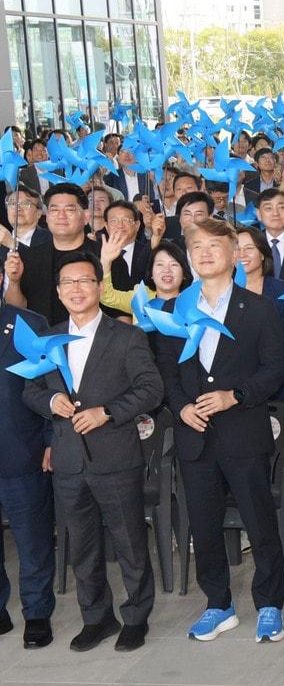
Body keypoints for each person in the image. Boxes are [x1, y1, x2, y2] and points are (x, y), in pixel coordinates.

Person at [153, 218, 284, 643]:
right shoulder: (176, 310)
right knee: (204, 524)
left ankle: (269, 604)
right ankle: (218, 604)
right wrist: (182, 409)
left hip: (243, 432)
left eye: (215, 245)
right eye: (197, 247)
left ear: (235, 254)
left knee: (259, 520)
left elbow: (276, 368)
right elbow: (167, 372)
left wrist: (237, 395)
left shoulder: (260, 308)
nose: (205, 252)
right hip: (195, 436)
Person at [22, 252, 164, 653]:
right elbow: (29, 390)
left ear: (99, 287)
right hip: (67, 460)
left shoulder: (127, 336)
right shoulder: (47, 340)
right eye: (68, 283)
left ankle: (136, 618)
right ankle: (96, 618)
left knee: (130, 543)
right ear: (58, 291)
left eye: (84, 281)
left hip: (116, 456)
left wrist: (109, 412)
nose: (76, 289)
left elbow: (151, 389)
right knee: (82, 546)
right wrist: (51, 402)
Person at [0, 300, 57, 649]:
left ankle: (36, 613)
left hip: (22, 449)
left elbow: (51, 383)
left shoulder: (28, 322)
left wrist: (51, 439)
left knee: (32, 540)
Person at [4, 183, 100, 324]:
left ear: (86, 216)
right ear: (47, 216)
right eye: (54, 210)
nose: (61, 216)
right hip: (42, 339)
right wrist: (14, 282)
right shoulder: (30, 257)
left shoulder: (104, 255)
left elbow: (120, 316)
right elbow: (17, 308)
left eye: (69, 210)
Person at [233, 226, 284, 323]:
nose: (242, 255)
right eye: (237, 249)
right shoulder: (222, 291)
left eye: (249, 248)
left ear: (262, 254)